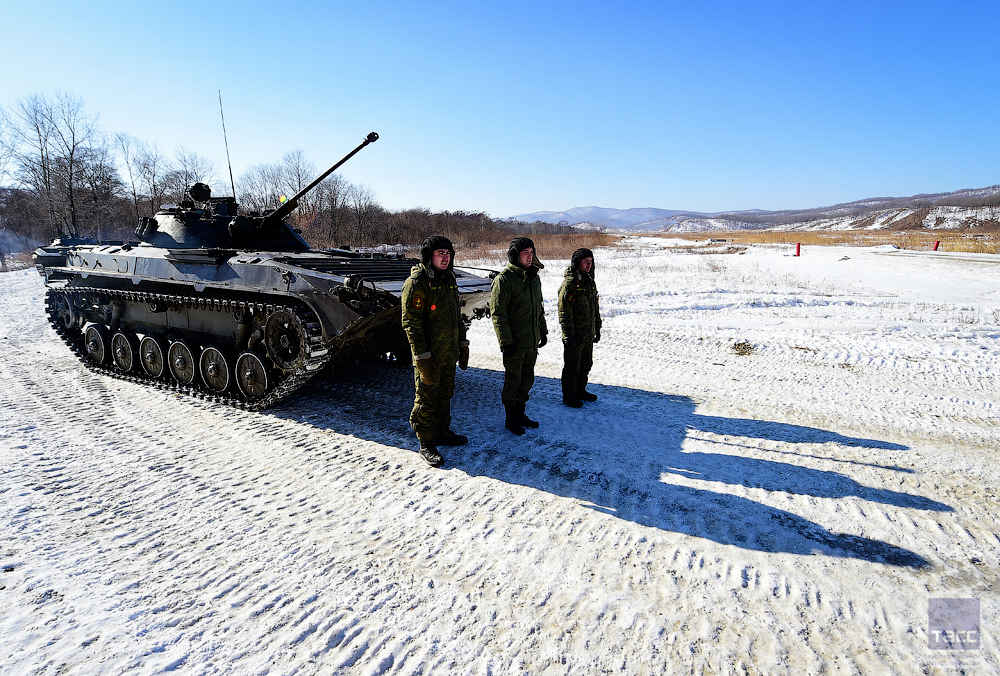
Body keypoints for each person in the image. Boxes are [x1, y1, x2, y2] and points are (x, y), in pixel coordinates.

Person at [401, 235, 470, 467]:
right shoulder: (418, 283)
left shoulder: (449, 279)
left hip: (448, 352)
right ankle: (426, 441)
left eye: (448, 254)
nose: (445, 258)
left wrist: (462, 343)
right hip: (429, 356)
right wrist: (421, 358)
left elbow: (456, 316)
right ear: (428, 256)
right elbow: (411, 323)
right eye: (440, 253)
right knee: (426, 398)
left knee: (445, 395)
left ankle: (442, 431)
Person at [490, 237, 547, 435]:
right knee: (513, 380)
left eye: (531, 252)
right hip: (514, 342)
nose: (530, 256)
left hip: (530, 340)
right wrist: (505, 341)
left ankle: (520, 413)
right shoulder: (505, 280)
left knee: (527, 379)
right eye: (525, 253)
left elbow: (538, 308)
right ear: (516, 256)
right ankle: (510, 418)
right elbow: (498, 313)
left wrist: (543, 330)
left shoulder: (533, 277)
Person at [558, 247, 602, 407]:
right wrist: (568, 335)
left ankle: (580, 390)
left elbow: (594, 308)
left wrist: (597, 328)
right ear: (577, 263)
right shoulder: (571, 284)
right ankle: (569, 396)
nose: (589, 264)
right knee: (572, 368)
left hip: (587, 334)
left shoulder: (589, 281)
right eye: (585, 261)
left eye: (591, 262)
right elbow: (564, 312)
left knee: (585, 364)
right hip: (575, 336)